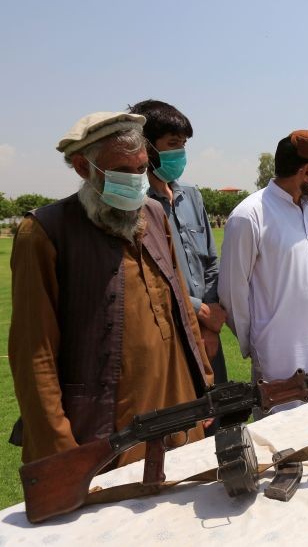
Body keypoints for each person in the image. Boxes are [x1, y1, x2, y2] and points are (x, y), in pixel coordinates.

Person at [8, 112, 213, 464]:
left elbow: (181, 308)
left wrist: (204, 386)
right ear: (82, 168)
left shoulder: (154, 215)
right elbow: (33, 354)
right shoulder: (45, 232)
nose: (136, 181)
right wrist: (61, 449)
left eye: (141, 169)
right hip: (105, 430)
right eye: (122, 171)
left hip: (179, 413)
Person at [218, 130, 308, 411]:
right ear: (307, 171)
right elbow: (231, 293)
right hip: (280, 361)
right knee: (283, 446)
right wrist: (259, 345)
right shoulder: (248, 215)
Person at [131, 100, 228, 427]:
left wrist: (211, 320)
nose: (180, 154)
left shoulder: (192, 196)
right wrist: (197, 310)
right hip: (172, 338)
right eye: (173, 145)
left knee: (222, 426)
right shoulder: (136, 206)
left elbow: (211, 263)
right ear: (147, 147)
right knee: (184, 432)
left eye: (183, 146)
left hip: (209, 334)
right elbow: (149, 280)